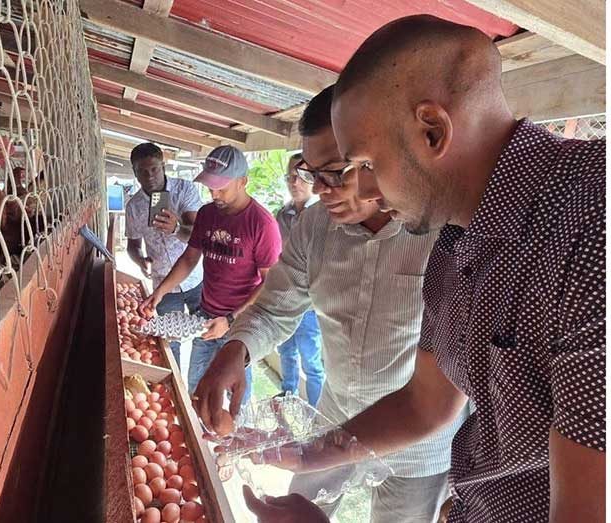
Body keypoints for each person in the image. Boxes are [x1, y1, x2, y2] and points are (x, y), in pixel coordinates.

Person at [243, 15, 606, 523]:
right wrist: (307, 455)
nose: (365, 192)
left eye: (365, 164)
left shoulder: (592, 227)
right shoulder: (455, 244)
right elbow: (424, 403)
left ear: (431, 130)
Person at [195, 86, 466, 522]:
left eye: (335, 173)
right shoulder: (314, 227)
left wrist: (307, 458)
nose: (320, 189)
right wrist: (236, 349)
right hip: (336, 415)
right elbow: (275, 307)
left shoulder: (444, 236)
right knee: (298, 508)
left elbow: (432, 403)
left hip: (422, 446)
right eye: (310, 172)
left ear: (377, 158)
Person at [140, 145, 282, 404]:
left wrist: (230, 318)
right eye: (210, 187)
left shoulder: (261, 224)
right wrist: (160, 291)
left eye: (222, 187)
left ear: (243, 182)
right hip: (205, 316)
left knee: (235, 394)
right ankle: (201, 438)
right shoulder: (207, 214)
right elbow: (190, 258)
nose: (214, 194)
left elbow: (270, 282)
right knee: (197, 386)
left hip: (240, 324)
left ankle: (234, 437)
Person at [125, 142, 203, 364]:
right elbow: (133, 245)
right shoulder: (134, 207)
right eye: (143, 171)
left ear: (163, 166)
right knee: (170, 345)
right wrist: (140, 260)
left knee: (206, 337)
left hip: (196, 278)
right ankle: (177, 387)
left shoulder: (184, 189)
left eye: (155, 169)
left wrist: (177, 228)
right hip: (163, 284)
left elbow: (198, 235)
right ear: (135, 173)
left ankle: (196, 389)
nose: (150, 176)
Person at [274, 153, 324, 406]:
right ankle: (288, 394)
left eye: (302, 177)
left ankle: (316, 411)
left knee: (312, 361)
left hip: (310, 304)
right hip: (284, 299)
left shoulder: (325, 216)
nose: (295, 183)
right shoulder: (281, 215)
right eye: (290, 177)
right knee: (286, 351)